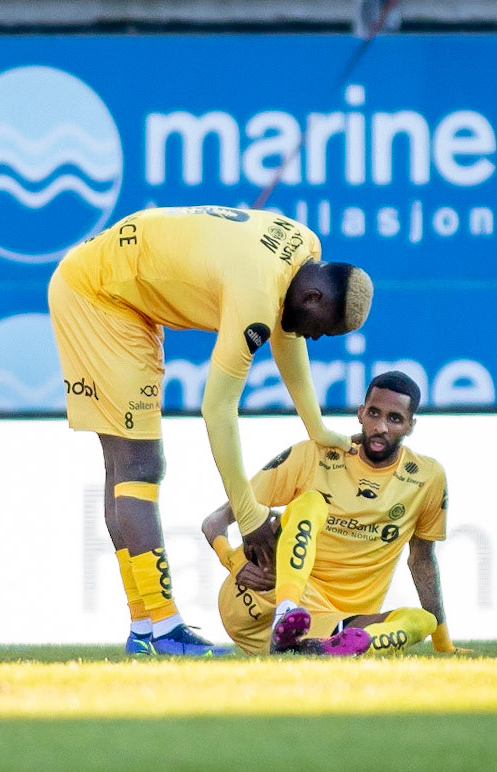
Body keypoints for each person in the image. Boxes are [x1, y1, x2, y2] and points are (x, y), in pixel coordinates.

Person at [48, 205, 373, 655]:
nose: (314, 339)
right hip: (99, 296)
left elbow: (288, 336)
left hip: (114, 284)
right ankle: (162, 628)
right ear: (314, 297)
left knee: (125, 467)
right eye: (322, 331)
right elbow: (217, 409)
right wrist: (250, 512)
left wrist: (315, 427)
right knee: (138, 466)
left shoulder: (304, 244)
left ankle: (146, 628)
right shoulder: (255, 298)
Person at [201, 371, 469, 656]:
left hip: (332, 620)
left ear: (410, 426)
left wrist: (443, 644)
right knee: (311, 503)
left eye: (394, 419)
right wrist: (233, 563)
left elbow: (422, 560)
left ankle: (321, 650)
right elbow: (213, 522)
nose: (381, 427)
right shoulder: (312, 455)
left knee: (421, 621)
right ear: (360, 413)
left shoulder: (427, 477)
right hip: (261, 599)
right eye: (374, 413)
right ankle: (287, 612)